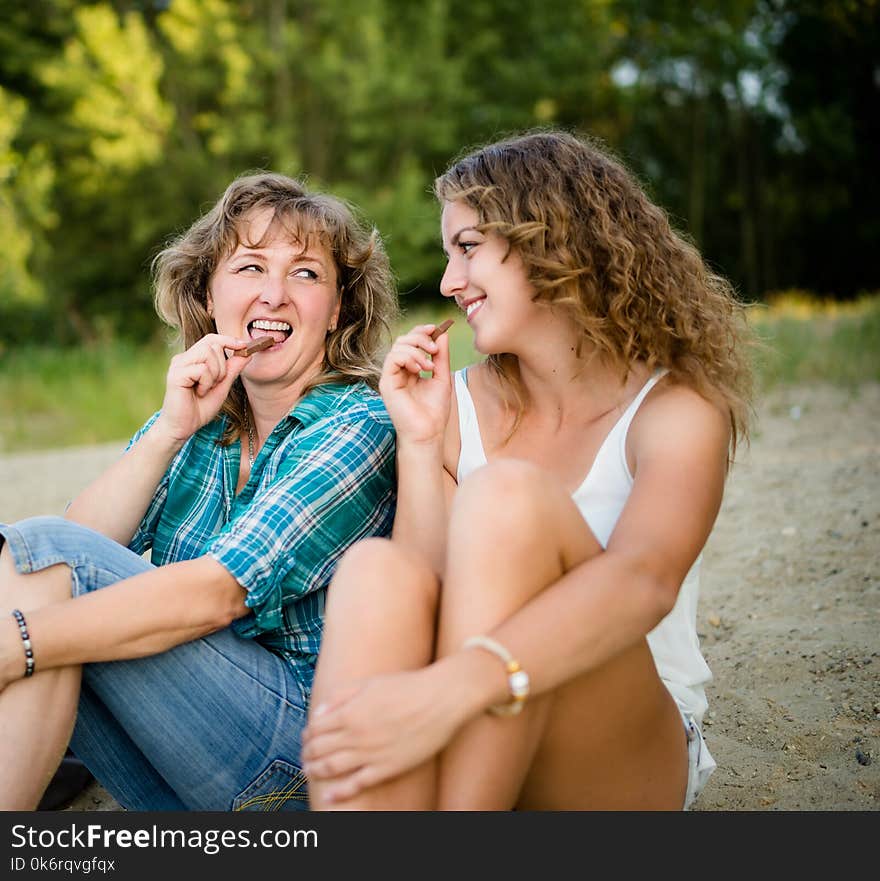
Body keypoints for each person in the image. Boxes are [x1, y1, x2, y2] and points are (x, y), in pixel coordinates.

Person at [301, 130, 754, 811]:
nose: (450, 282)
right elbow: (425, 600)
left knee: (507, 496)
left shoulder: (676, 408)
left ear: (552, 240)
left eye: (469, 248)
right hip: (464, 731)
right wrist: (421, 446)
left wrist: (458, 685)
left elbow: (644, 578)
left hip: (616, 749)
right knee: (375, 572)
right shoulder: (449, 405)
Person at [0, 172, 399, 811]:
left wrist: (17, 643)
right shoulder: (201, 418)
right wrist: (168, 432)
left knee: (43, 586)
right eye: (249, 268)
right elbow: (66, 554)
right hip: (188, 767)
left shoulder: (362, 424)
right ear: (209, 297)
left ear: (339, 311)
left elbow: (218, 593)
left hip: (295, 771)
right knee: (38, 562)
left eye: (305, 274)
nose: (275, 294)